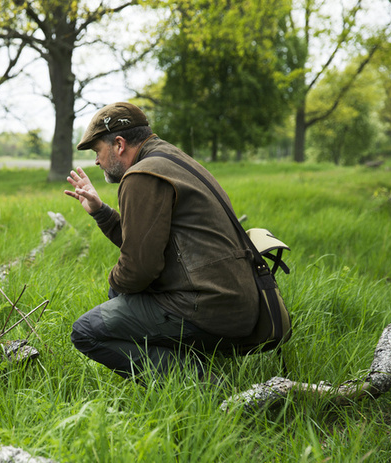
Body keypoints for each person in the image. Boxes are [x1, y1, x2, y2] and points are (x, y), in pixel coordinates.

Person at [64, 102, 259, 384]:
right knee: (120, 295)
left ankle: (207, 387)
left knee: (86, 331)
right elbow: (150, 241)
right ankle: (189, 363)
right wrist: (100, 212)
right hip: (237, 301)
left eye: (97, 151)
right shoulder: (172, 161)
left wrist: (119, 293)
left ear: (118, 144)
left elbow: (138, 269)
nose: (96, 161)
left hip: (212, 308)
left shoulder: (141, 176)